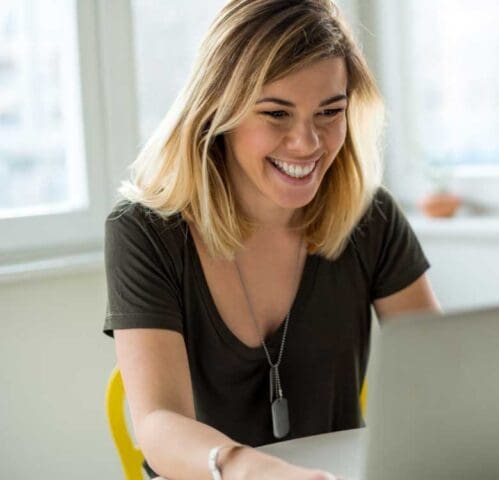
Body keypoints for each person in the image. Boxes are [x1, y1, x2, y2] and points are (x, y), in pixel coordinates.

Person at [102, 0, 440, 478]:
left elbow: (441, 377)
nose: (308, 143)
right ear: (220, 109)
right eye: (277, 114)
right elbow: (158, 424)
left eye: (330, 112)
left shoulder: (372, 218)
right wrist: (251, 470)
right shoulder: (145, 231)